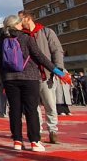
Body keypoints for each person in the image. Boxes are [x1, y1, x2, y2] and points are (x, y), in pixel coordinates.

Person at [0, 15, 69, 152]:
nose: (22, 25)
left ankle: (17, 141)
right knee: (31, 110)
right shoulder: (26, 38)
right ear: (16, 25)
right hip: (30, 78)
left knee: (14, 110)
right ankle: (34, 142)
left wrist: (4, 81)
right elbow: (40, 57)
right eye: (20, 23)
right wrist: (58, 71)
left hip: (10, 79)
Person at [19, 10, 64, 144]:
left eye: (20, 19)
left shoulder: (46, 32)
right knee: (33, 106)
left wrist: (58, 68)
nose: (19, 22)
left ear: (27, 19)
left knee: (50, 104)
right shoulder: (22, 36)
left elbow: (56, 50)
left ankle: (52, 131)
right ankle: (37, 131)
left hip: (46, 74)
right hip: (29, 76)